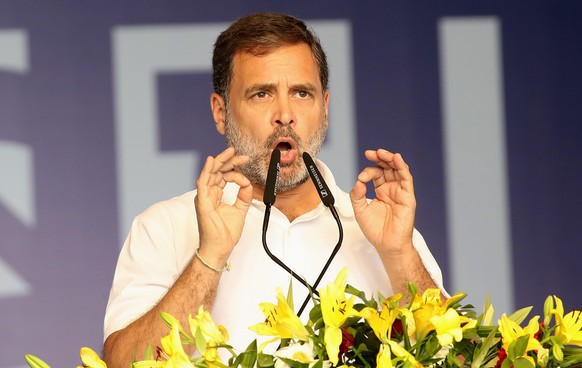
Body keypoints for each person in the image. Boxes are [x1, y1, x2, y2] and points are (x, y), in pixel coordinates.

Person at [102, 12, 446, 367]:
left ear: (324, 108)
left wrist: (399, 254)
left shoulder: (383, 230)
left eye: (301, 93)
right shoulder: (166, 227)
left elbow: (454, 357)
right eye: (262, 94)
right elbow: (124, 363)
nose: (285, 114)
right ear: (221, 112)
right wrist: (209, 258)